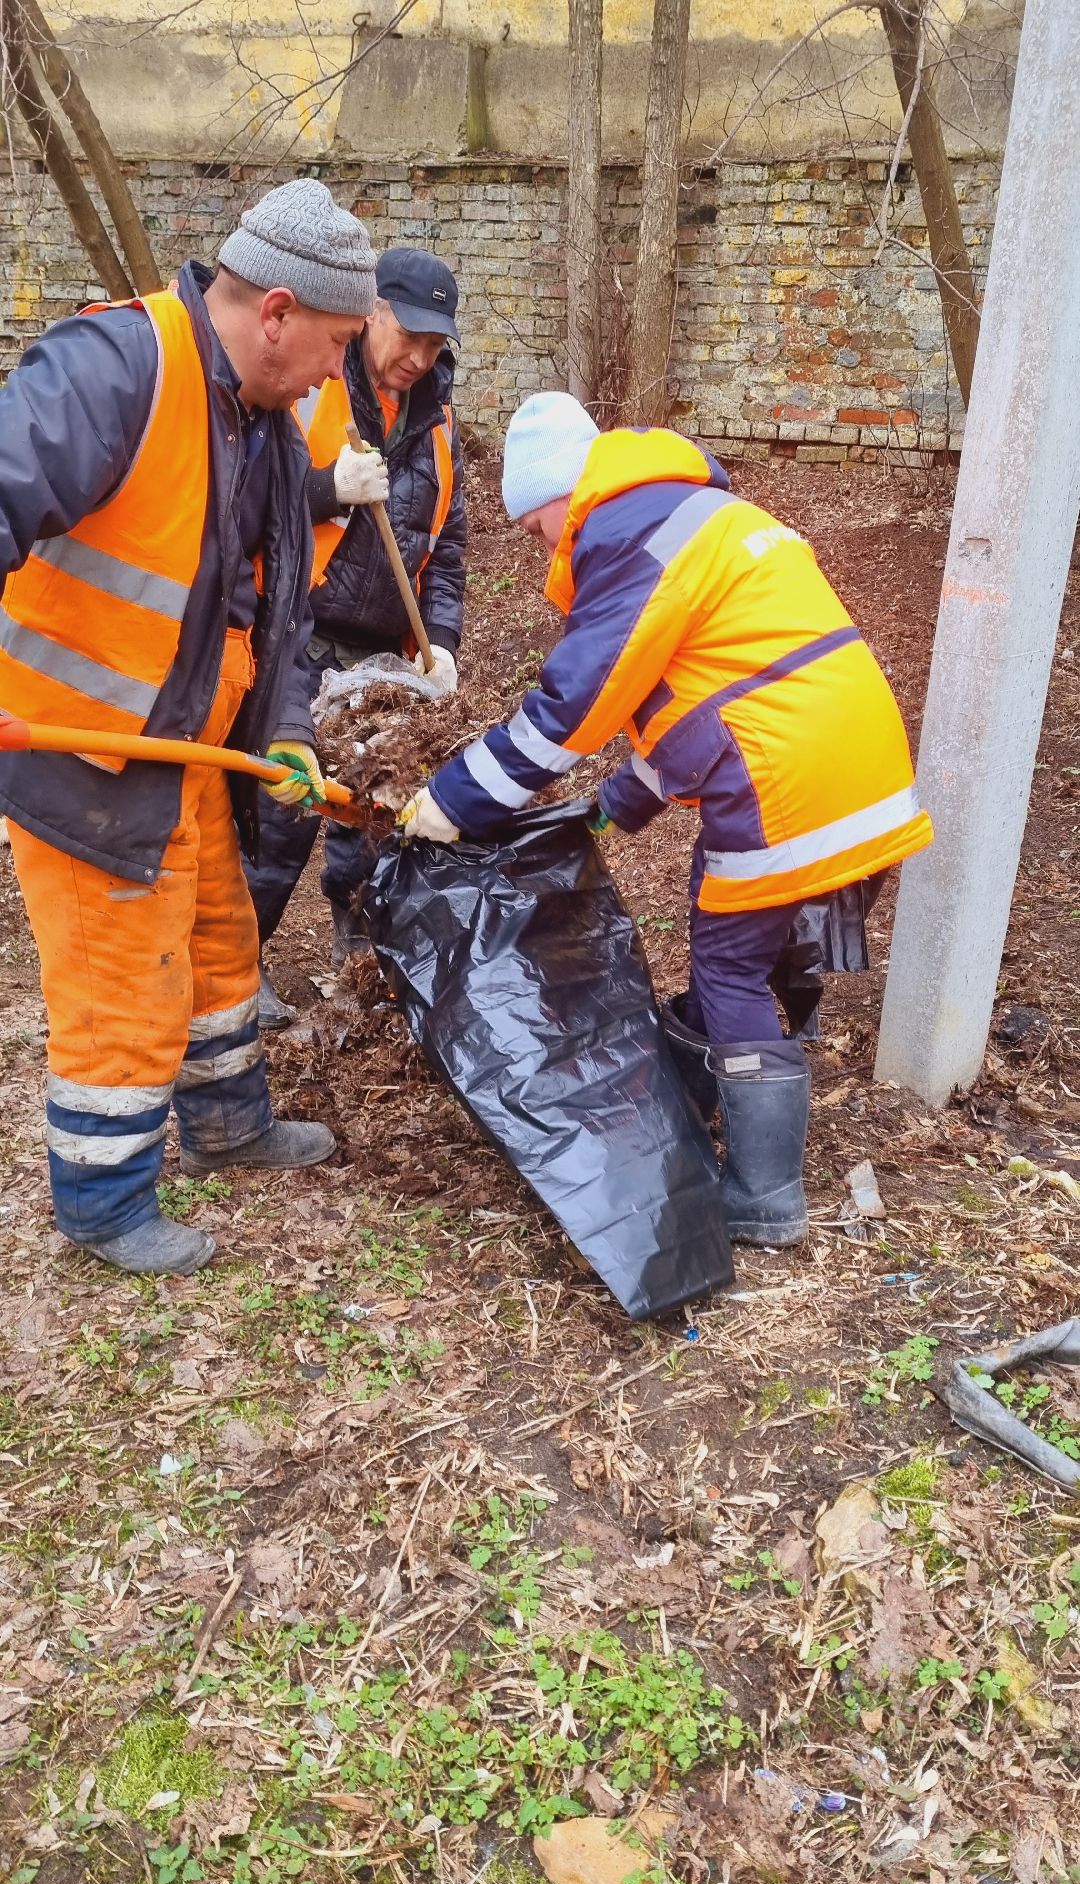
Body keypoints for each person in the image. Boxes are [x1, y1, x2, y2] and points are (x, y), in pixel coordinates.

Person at [398, 391, 934, 1249]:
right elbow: (701, 700)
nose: (541, 547)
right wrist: (611, 809)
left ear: (560, 497)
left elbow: (572, 709)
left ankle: (764, 1195)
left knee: (728, 963)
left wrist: (453, 800)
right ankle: (699, 1097)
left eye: (535, 528)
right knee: (749, 934)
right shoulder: (693, 513)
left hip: (787, 780)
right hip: (857, 766)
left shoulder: (626, 534)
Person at [0, 179, 377, 1275]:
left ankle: (228, 1127)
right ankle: (104, 1201)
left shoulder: (263, 428)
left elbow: (273, 607)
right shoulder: (118, 367)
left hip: (191, 754)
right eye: (335, 345)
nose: (337, 374)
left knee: (218, 944)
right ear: (277, 314)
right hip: (86, 757)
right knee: (125, 979)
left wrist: (288, 729)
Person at [249, 247, 467, 1029]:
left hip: (383, 659)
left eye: (435, 344)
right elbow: (247, 502)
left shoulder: (437, 421)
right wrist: (326, 489)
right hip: (300, 633)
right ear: (373, 313)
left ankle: (358, 949)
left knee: (373, 814)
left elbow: (448, 546)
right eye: (409, 336)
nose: (419, 357)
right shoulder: (311, 387)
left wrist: (442, 639)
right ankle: (234, 966)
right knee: (283, 811)